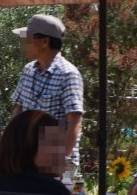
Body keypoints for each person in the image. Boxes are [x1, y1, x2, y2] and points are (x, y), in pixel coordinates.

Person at [11, 14, 83, 177]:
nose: (23, 43)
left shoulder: (68, 74)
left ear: (44, 42)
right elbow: (18, 109)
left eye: (27, 38)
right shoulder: (28, 70)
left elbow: (75, 121)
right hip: (27, 156)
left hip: (54, 160)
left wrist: (61, 160)